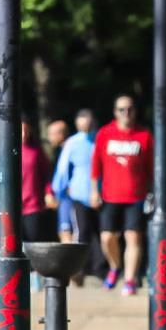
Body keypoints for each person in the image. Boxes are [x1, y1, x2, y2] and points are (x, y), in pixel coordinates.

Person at [90, 95, 153, 296]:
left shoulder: (144, 135)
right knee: (107, 237)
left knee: (133, 237)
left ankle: (129, 280)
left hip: (136, 197)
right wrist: (94, 191)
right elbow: (95, 166)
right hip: (109, 196)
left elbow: (152, 169)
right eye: (122, 109)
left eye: (130, 109)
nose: (126, 113)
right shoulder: (105, 133)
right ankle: (115, 267)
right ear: (115, 112)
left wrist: (154, 194)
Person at [52, 108, 106, 283]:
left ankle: (98, 268)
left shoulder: (100, 140)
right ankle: (82, 269)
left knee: (100, 233)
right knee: (84, 231)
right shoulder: (74, 143)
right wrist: (60, 190)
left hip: (100, 194)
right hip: (80, 194)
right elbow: (63, 170)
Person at [0, 120, 57, 243]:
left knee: (33, 241)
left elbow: (46, 175)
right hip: (9, 206)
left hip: (33, 205)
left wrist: (49, 193)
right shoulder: (5, 152)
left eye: (26, 130)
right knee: (10, 244)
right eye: (20, 131)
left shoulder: (36, 152)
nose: (23, 134)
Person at [45, 119, 73, 241]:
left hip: (69, 199)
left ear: (61, 134)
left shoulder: (70, 149)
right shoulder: (61, 151)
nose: (49, 138)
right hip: (62, 198)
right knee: (64, 232)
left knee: (66, 232)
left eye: (51, 134)